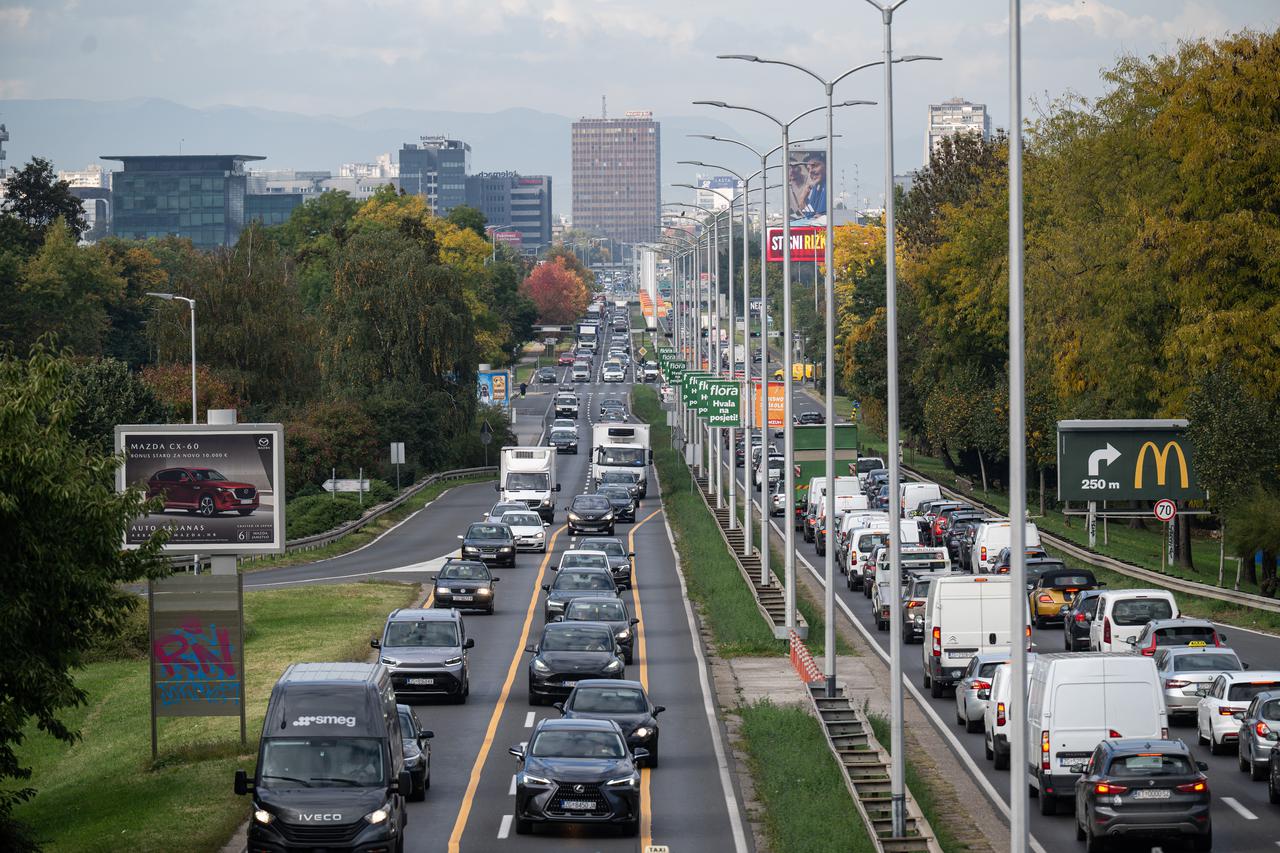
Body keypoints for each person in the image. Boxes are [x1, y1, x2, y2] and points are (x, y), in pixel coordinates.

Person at [801, 153, 827, 220]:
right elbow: (809, 214)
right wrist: (803, 198)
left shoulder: (827, 187)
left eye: (815, 166)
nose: (810, 172)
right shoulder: (817, 187)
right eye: (808, 169)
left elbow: (815, 217)